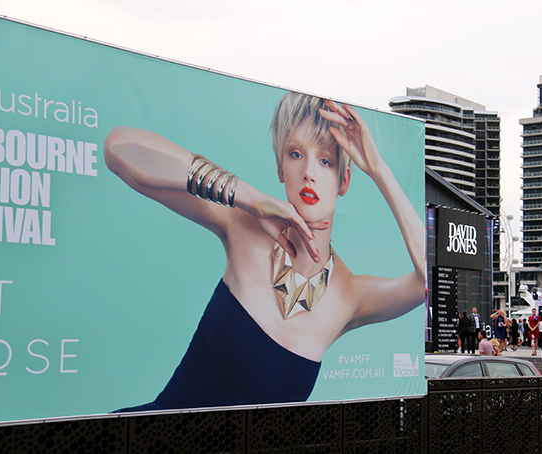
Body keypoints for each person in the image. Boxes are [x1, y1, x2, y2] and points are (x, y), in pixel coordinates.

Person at [104, 93, 426, 411]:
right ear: (280, 168)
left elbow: (429, 278)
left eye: (325, 160)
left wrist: (378, 168)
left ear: (345, 180)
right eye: (296, 154)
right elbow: (118, 149)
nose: (309, 173)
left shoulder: (351, 296)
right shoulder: (242, 226)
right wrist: (246, 197)